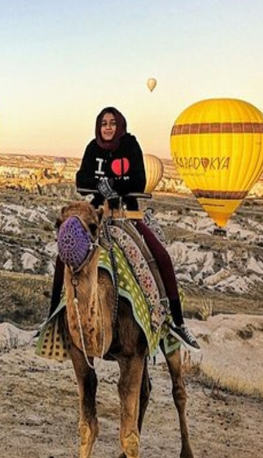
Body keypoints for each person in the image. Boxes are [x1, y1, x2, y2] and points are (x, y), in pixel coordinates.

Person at [44, 106, 200, 351]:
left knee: (160, 256)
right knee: (66, 251)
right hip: (96, 215)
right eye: (104, 123)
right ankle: (53, 314)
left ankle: (177, 321)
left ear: (120, 125)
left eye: (112, 123)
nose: (107, 127)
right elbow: (80, 180)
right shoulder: (92, 148)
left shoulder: (130, 146)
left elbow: (139, 180)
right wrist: (100, 185)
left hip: (128, 214)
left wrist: (116, 185)